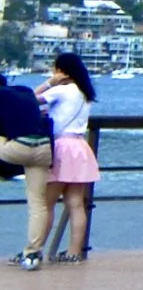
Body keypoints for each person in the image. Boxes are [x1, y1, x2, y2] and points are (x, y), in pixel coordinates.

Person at [37, 53, 97, 264]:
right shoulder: (84, 93)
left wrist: (48, 83)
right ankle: (74, 252)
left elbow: (28, 101)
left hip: (61, 147)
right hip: (80, 146)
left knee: (47, 203)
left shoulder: (60, 90)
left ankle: (35, 249)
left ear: (62, 70)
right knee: (76, 203)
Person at [0, 73, 52, 270]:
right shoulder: (25, 91)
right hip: (44, 149)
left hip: (18, 149)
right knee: (38, 203)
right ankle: (32, 253)